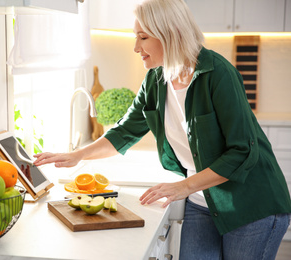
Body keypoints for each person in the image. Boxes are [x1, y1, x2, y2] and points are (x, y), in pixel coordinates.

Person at [33, 0, 291, 258]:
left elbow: (242, 152)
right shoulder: (155, 79)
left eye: (143, 37)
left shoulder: (218, 74)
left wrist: (183, 187)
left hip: (252, 203)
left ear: (171, 35)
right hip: (201, 202)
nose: (136, 47)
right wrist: (78, 155)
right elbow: (124, 131)